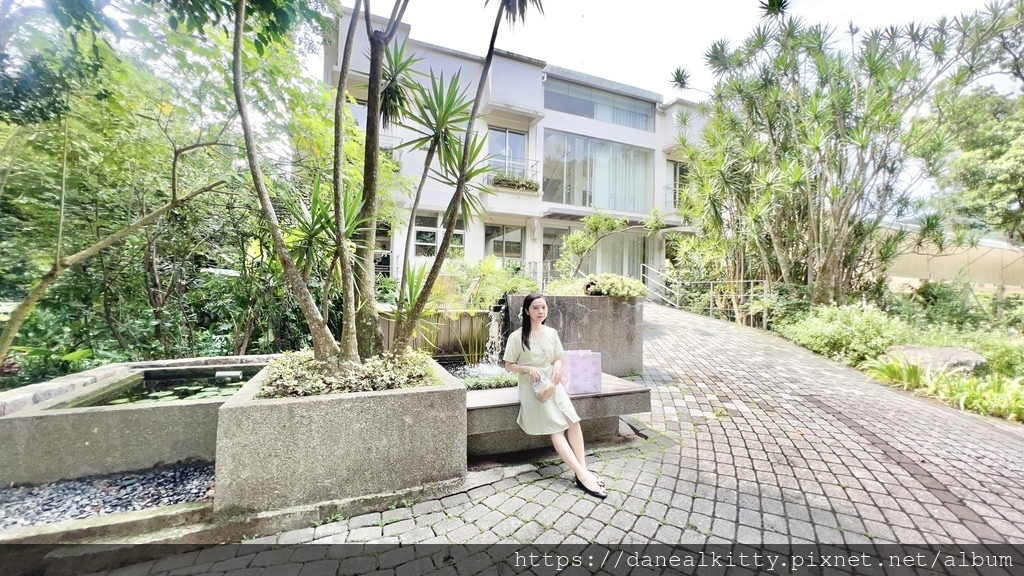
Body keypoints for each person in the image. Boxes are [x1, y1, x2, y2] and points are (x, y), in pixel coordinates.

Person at [503, 293, 607, 499]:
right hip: (534, 389)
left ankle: (583, 470)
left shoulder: (551, 333)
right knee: (557, 430)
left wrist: (558, 368)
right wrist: (526, 368)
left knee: (573, 421)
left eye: (543, 307)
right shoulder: (517, 337)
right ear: (526, 311)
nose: (541, 311)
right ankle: (583, 476)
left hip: (553, 384)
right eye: (535, 308)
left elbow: (558, 358)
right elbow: (508, 366)